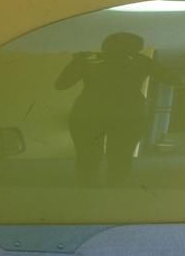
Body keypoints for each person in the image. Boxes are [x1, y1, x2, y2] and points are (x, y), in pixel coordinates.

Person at [55, 32, 158, 187]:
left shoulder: (140, 62)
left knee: (110, 158)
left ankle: (97, 192)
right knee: (110, 158)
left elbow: (61, 85)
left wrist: (145, 63)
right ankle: (103, 191)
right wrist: (77, 63)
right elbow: (61, 85)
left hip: (107, 115)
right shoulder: (90, 60)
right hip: (113, 115)